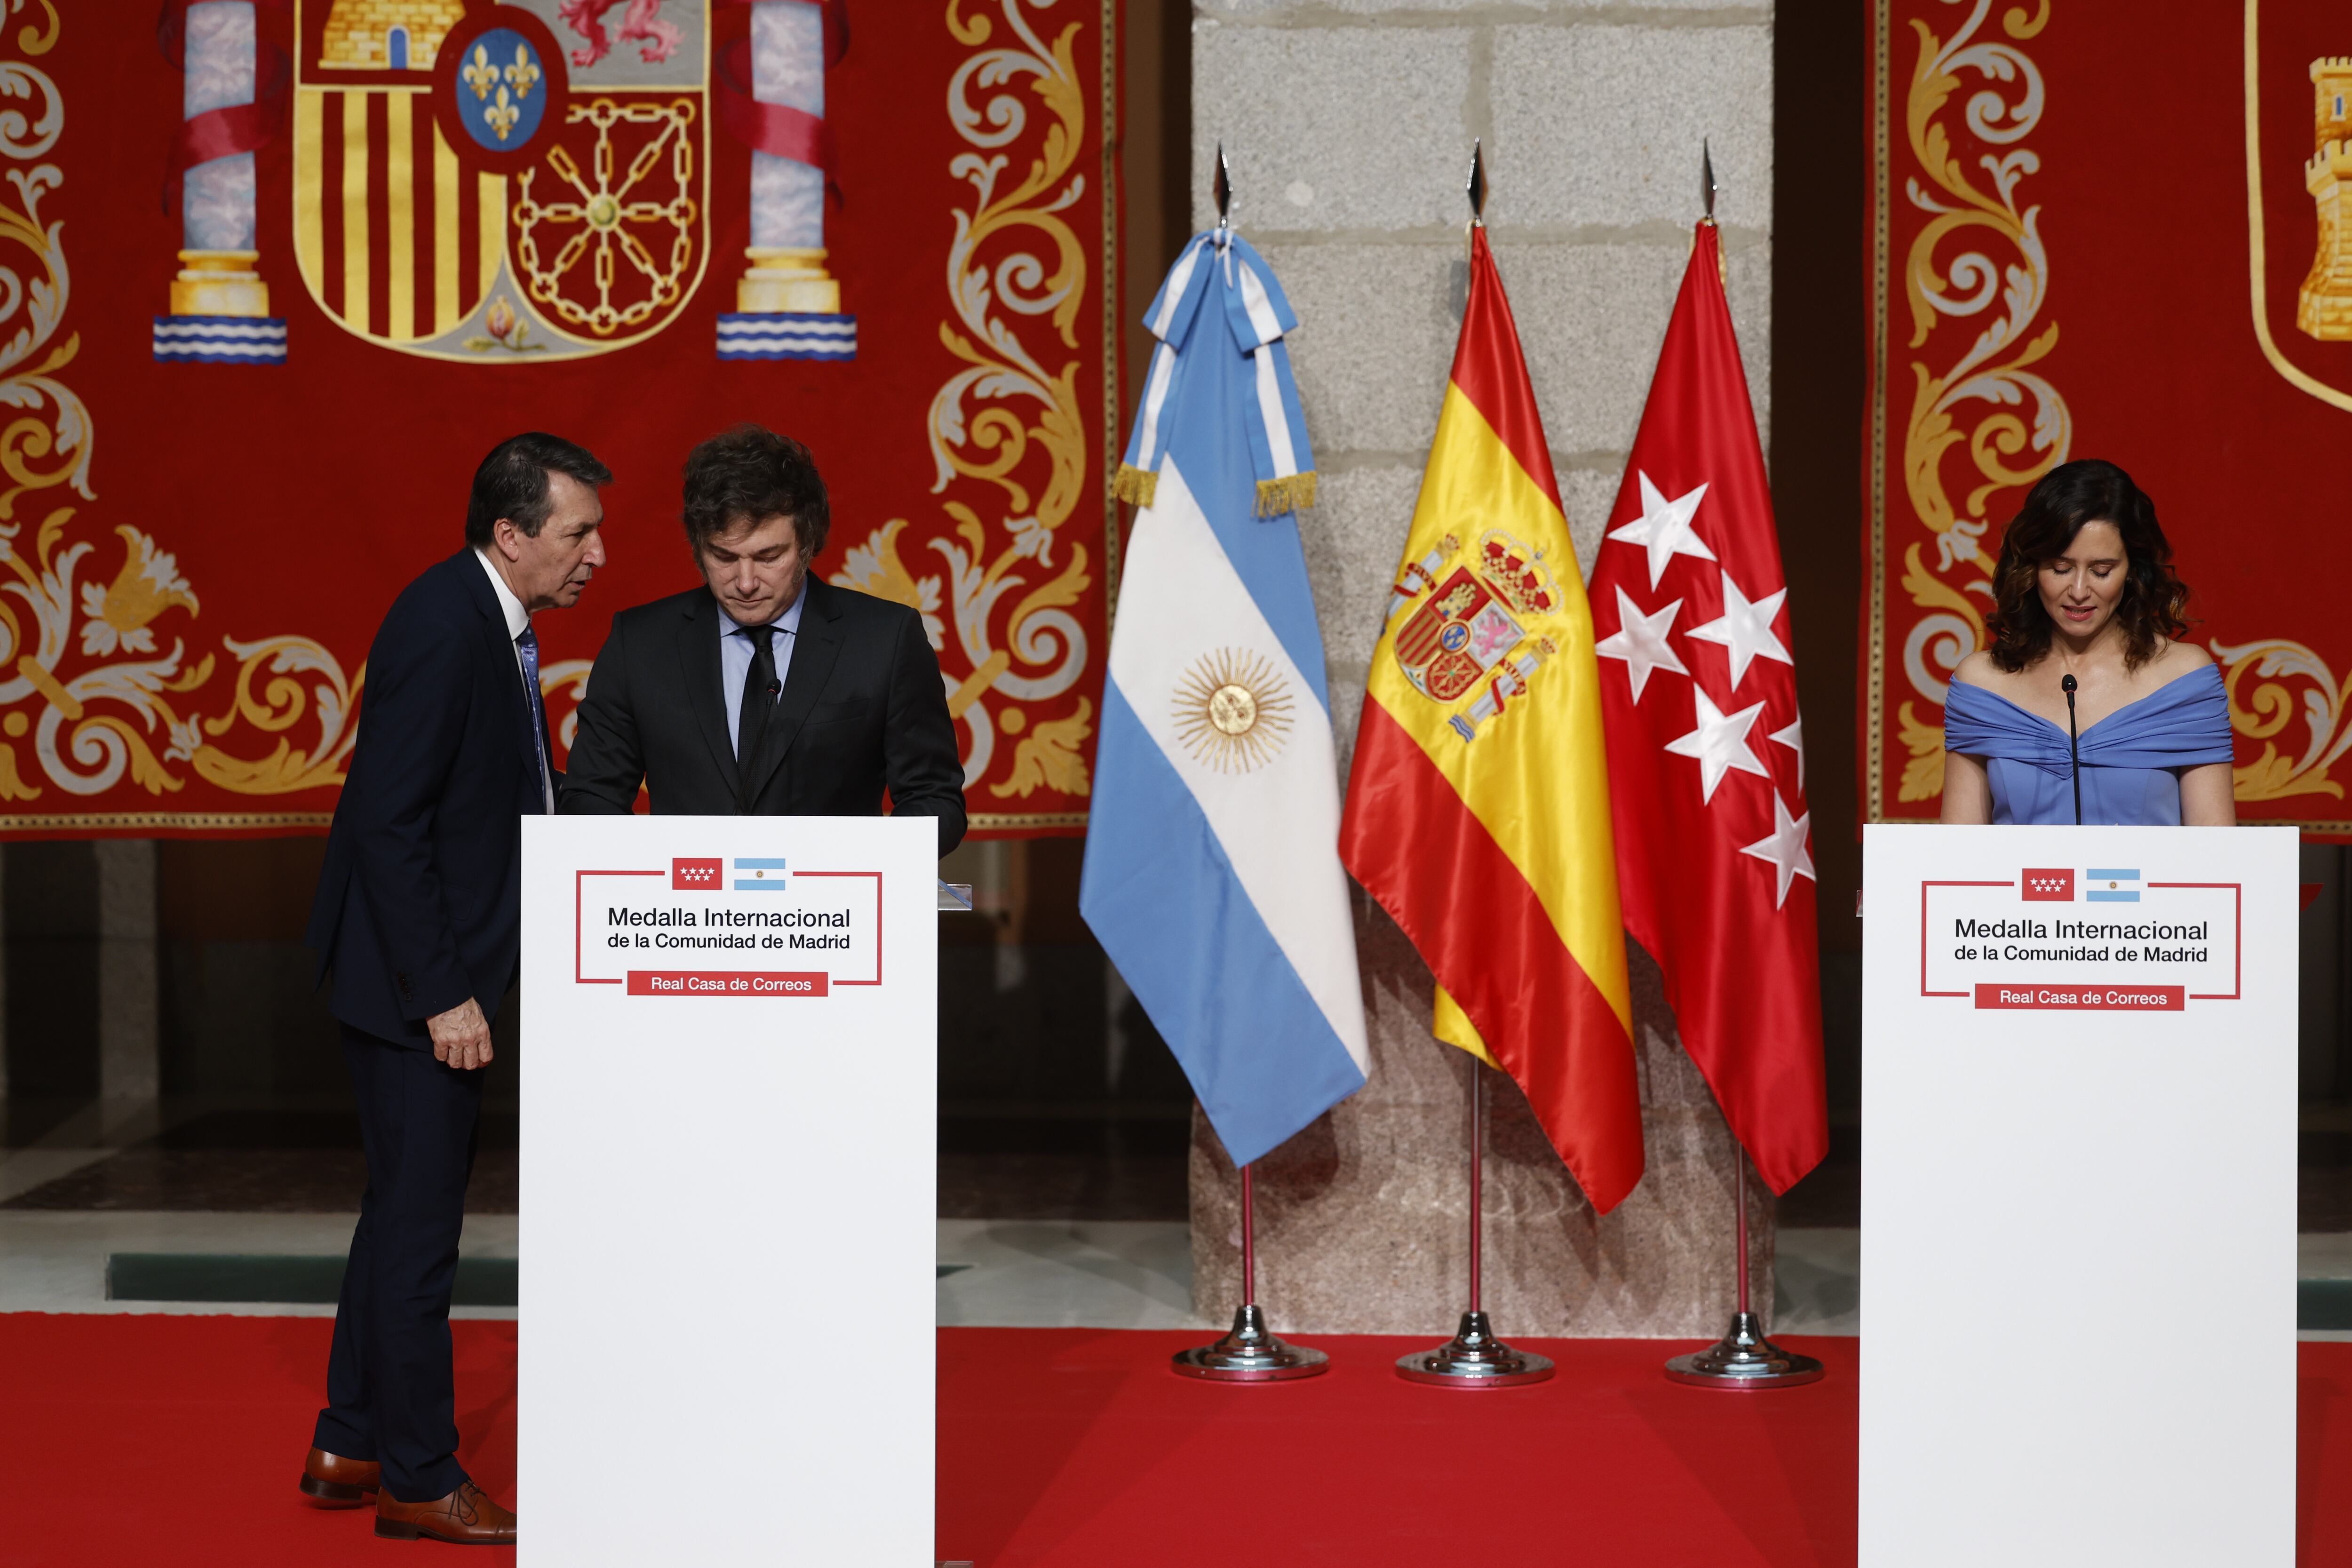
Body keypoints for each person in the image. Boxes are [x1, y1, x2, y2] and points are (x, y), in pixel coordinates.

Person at [300, 433, 611, 1545]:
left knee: (396, 1213)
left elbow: (501, 797)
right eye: (578, 533)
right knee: (424, 1232)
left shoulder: (491, 620)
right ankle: (422, 1479)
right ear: (511, 534)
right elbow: (386, 823)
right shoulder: (444, 623)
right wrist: (445, 994)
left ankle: (350, 1437)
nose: (597, 556)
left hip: (426, 973)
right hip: (412, 987)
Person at [558, 424, 966, 850]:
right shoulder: (639, 643)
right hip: (684, 908)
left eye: (769, 556)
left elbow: (935, 801)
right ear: (698, 547)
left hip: (830, 909)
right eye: (724, 557)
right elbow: (592, 798)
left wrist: (857, 865)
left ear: (808, 543)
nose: (746, 581)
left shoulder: (886, 639)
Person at [1940, 459, 2234, 827]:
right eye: (2060, 568)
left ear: (2132, 571)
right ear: (2031, 568)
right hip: (2027, 888)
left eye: (2101, 570)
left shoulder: (2184, 680)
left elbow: (2217, 860)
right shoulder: (1982, 685)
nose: (2079, 591)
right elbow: (1958, 861)